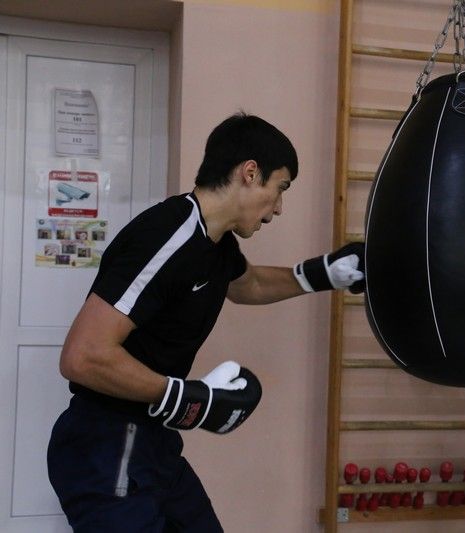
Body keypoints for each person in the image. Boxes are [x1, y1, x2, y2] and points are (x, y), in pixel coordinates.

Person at [47, 112, 365, 532]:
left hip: (153, 441)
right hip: (107, 444)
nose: (278, 208)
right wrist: (186, 398)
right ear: (250, 173)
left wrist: (322, 274)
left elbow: (248, 284)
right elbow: (82, 356)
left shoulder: (215, 243)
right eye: (280, 188)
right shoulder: (167, 236)